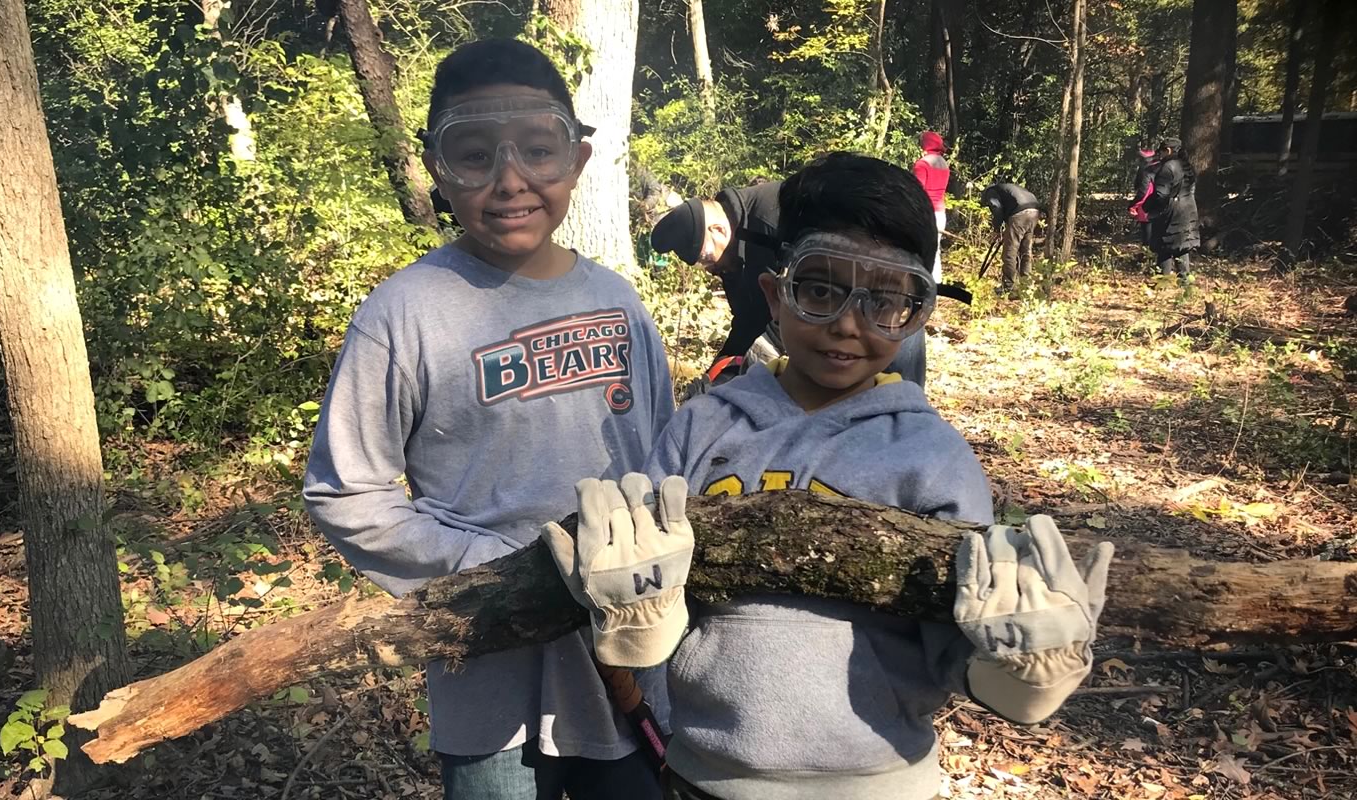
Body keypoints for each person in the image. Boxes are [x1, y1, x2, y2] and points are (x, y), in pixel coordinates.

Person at [543, 153, 1114, 800]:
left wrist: (1017, 672)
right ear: (773, 294)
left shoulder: (931, 460)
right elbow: (649, 617)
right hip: (703, 779)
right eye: (820, 289)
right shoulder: (701, 430)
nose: (847, 322)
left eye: (885, 299)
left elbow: (954, 651)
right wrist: (636, 626)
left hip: (879, 784)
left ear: (916, 314)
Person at [302, 38, 674, 800]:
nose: (511, 182)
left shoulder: (617, 302)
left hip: (628, 653)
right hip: (488, 671)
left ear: (577, 158)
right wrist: (493, 570)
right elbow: (346, 491)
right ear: (437, 167)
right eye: (474, 154)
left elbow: (667, 456)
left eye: (540, 150)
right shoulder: (404, 313)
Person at [649, 180, 929, 393]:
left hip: (885, 313)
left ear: (719, 230)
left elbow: (787, 309)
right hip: (831, 323)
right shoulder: (735, 242)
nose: (713, 269)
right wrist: (716, 377)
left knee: (897, 404)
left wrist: (748, 365)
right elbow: (747, 320)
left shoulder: (768, 220)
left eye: (708, 259)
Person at [1142, 137, 1199, 280]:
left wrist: (1148, 206)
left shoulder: (1168, 167)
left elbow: (1161, 195)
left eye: (1161, 152)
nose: (1159, 156)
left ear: (1168, 151)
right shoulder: (1187, 166)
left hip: (1171, 213)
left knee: (1164, 246)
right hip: (1189, 210)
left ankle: (1162, 283)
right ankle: (1185, 285)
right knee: (1181, 247)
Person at [980, 181, 1043, 292]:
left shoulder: (991, 192)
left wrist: (996, 229)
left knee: (1010, 252)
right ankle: (1026, 285)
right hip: (1035, 210)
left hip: (1020, 213)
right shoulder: (1007, 189)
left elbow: (997, 207)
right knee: (1025, 250)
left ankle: (1008, 287)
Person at [913, 130, 951, 282]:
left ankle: (921, 286)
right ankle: (935, 285)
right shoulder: (944, 164)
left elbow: (917, 191)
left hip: (925, 213)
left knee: (919, 249)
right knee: (935, 251)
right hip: (940, 213)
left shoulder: (922, 164)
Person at [1128, 147, 1159, 249]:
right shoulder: (1163, 167)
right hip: (1160, 205)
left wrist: (1133, 205)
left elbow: (1143, 192)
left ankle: (1147, 258)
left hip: (1147, 207)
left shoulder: (1147, 171)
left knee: (1148, 236)